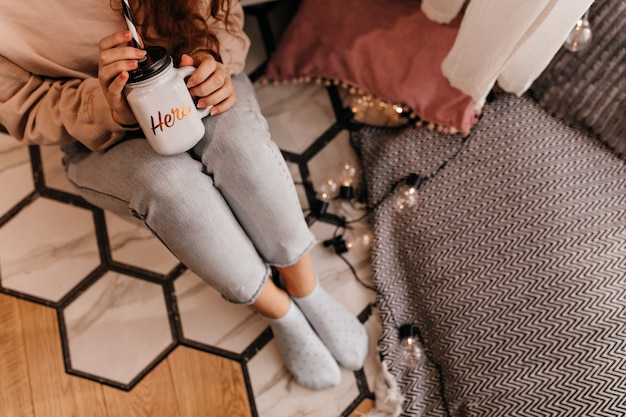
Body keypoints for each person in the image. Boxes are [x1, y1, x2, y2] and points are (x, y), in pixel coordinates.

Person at [0, 0, 368, 390]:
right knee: (171, 188)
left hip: (190, 72)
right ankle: (279, 311)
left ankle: (304, 286)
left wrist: (213, 57)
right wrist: (107, 107)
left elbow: (221, 11)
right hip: (94, 130)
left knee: (241, 150)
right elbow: (25, 106)